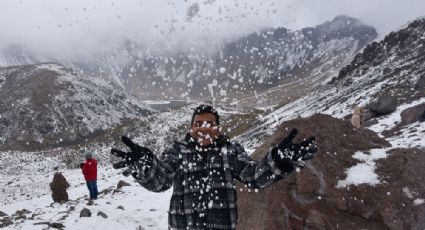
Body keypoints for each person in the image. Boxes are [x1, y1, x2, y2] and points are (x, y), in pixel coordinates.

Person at [111, 104, 318, 229]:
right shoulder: (178, 150)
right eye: (198, 124)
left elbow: (252, 176)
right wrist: (147, 168)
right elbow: (161, 181)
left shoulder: (229, 150)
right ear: (191, 127)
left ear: (217, 129)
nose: (203, 129)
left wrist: (278, 161)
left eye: (209, 124)